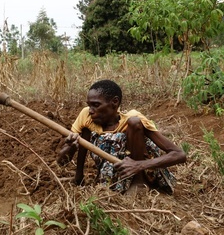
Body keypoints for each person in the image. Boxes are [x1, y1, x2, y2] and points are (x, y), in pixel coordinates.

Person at [57, 79, 187, 194]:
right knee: (85, 130)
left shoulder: (132, 120)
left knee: (135, 123)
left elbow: (179, 154)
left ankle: (139, 183)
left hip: (136, 165)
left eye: (96, 105)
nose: (91, 110)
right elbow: (61, 162)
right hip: (112, 170)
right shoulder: (86, 116)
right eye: (89, 105)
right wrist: (71, 147)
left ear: (114, 102)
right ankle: (79, 177)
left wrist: (139, 165)